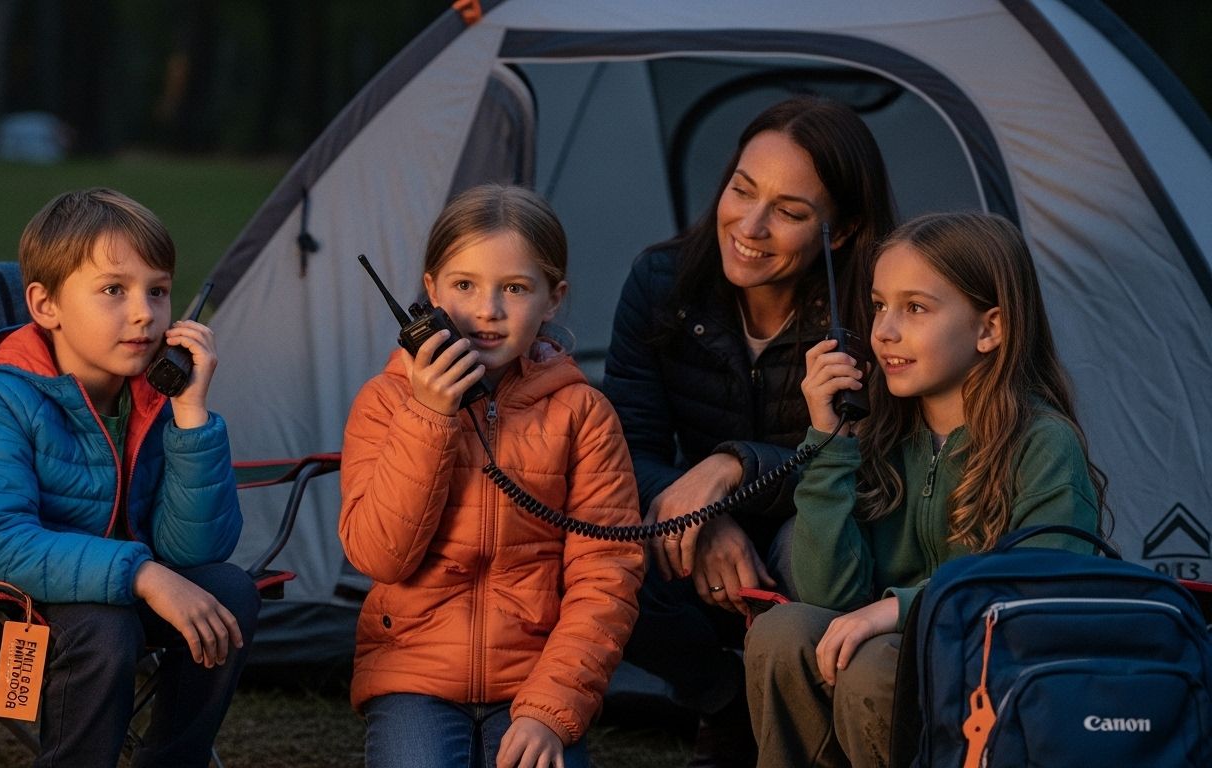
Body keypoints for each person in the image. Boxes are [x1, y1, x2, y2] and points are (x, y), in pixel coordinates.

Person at [744, 211, 1109, 767]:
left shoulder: (1043, 444)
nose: (884, 331)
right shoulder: (879, 435)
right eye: (879, 305)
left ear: (991, 329)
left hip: (996, 678)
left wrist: (899, 610)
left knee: (876, 662)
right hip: (887, 657)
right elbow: (829, 596)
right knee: (783, 630)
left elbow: (1041, 588)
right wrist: (827, 441)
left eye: (915, 308)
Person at [601, 95, 896, 766]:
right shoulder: (661, 283)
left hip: (819, 531)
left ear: (841, 231)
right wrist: (707, 515)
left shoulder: (870, 312)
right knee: (598, 546)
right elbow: (626, 450)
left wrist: (731, 467)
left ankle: (812, 717)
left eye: (790, 213)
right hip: (692, 528)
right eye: (742, 189)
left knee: (807, 547)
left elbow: (876, 465)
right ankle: (726, 706)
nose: (750, 225)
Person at [0, 187, 258, 768]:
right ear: (45, 305)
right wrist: (143, 573)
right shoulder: (4, 396)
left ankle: (174, 759)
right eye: (113, 290)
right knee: (104, 629)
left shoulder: (156, 393)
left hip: (118, 587)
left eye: (157, 290)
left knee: (227, 589)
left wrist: (191, 416)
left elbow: (194, 549)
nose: (143, 313)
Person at [340, 183, 645, 768]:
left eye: (514, 288)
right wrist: (430, 415)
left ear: (553, 299)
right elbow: (380, 556)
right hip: (413, 674)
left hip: (534, 679)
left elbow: (605, 578)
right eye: (464, 286)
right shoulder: (384, 403)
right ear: (428, 293)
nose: (488, 310)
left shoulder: (582, 414)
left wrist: (549, 708)